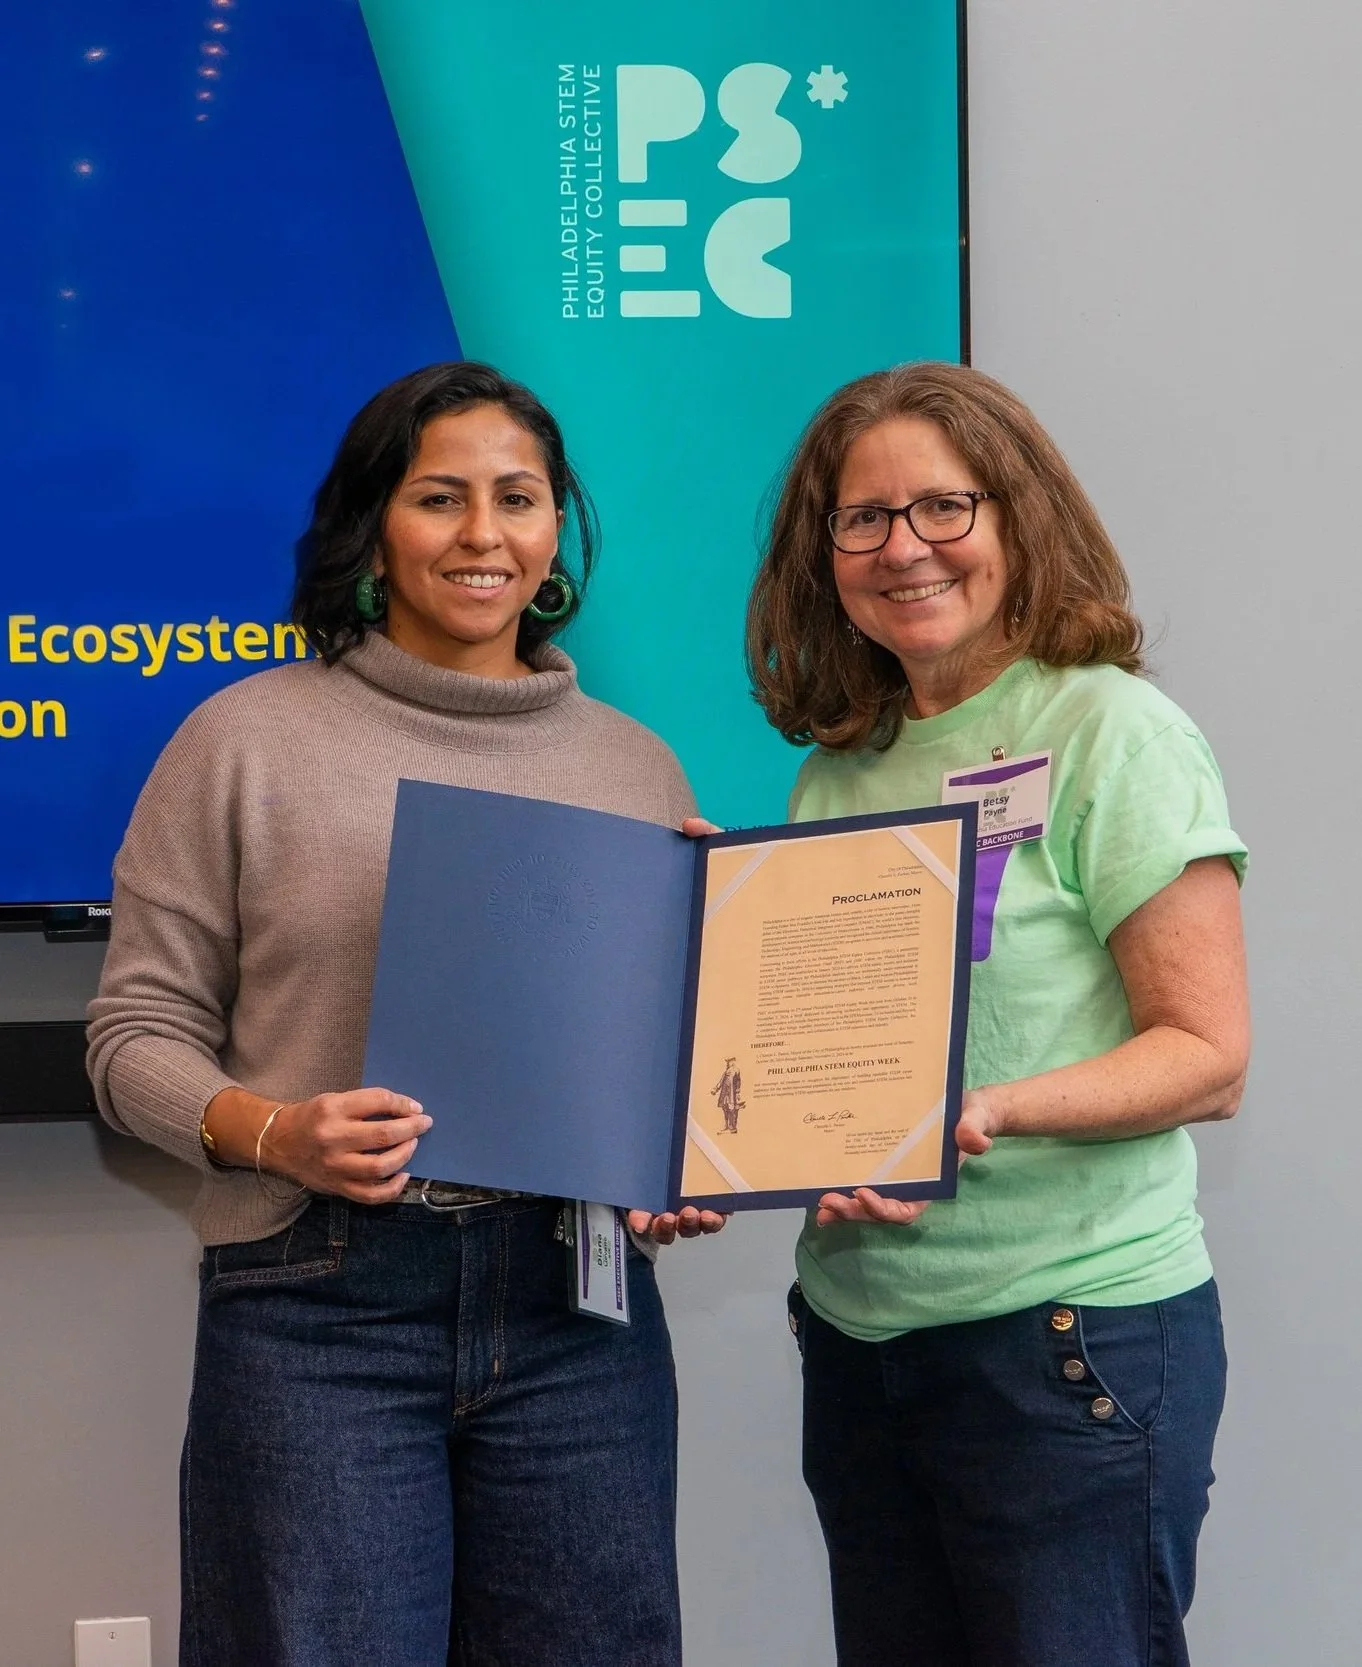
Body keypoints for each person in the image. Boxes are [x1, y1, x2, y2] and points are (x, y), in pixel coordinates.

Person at [87, 361, 723, 1667]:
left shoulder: (638, 763)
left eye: (517, 498)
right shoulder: (242, 739)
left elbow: (666, 1058)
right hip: (319, 1300)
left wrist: (677, 1166)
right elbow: (131, 1037)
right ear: (374, 525)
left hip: (577, 1309)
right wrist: (275, 1130)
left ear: (557, 532)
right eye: (440, 497)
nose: (482, 533)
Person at [746, 361, 1249, 1667]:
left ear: (1018, 517)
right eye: (860, 519)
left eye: (940, 508)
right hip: (863, 1347)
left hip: (1065, 1347)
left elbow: (1206, 1054)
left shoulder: (1112, 731)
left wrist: (979, 1112)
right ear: (823, 555)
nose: (901, 547)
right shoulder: (834, 769)